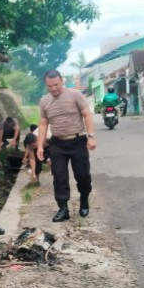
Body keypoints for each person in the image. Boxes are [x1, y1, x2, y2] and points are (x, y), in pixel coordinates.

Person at [36, 69, 97, 222]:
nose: (54, 88)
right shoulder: (45, 101)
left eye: (56, 84)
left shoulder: (75, 95)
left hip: (77, 141)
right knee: (59, 177)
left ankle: (84, 199)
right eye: (50, 86)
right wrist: (40, 146)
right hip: (57, 144)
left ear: (62, 81)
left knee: (83, 175)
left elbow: (87, 115)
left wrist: (91, 136)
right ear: (46, 85)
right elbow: (43, 124)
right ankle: (63, 208)